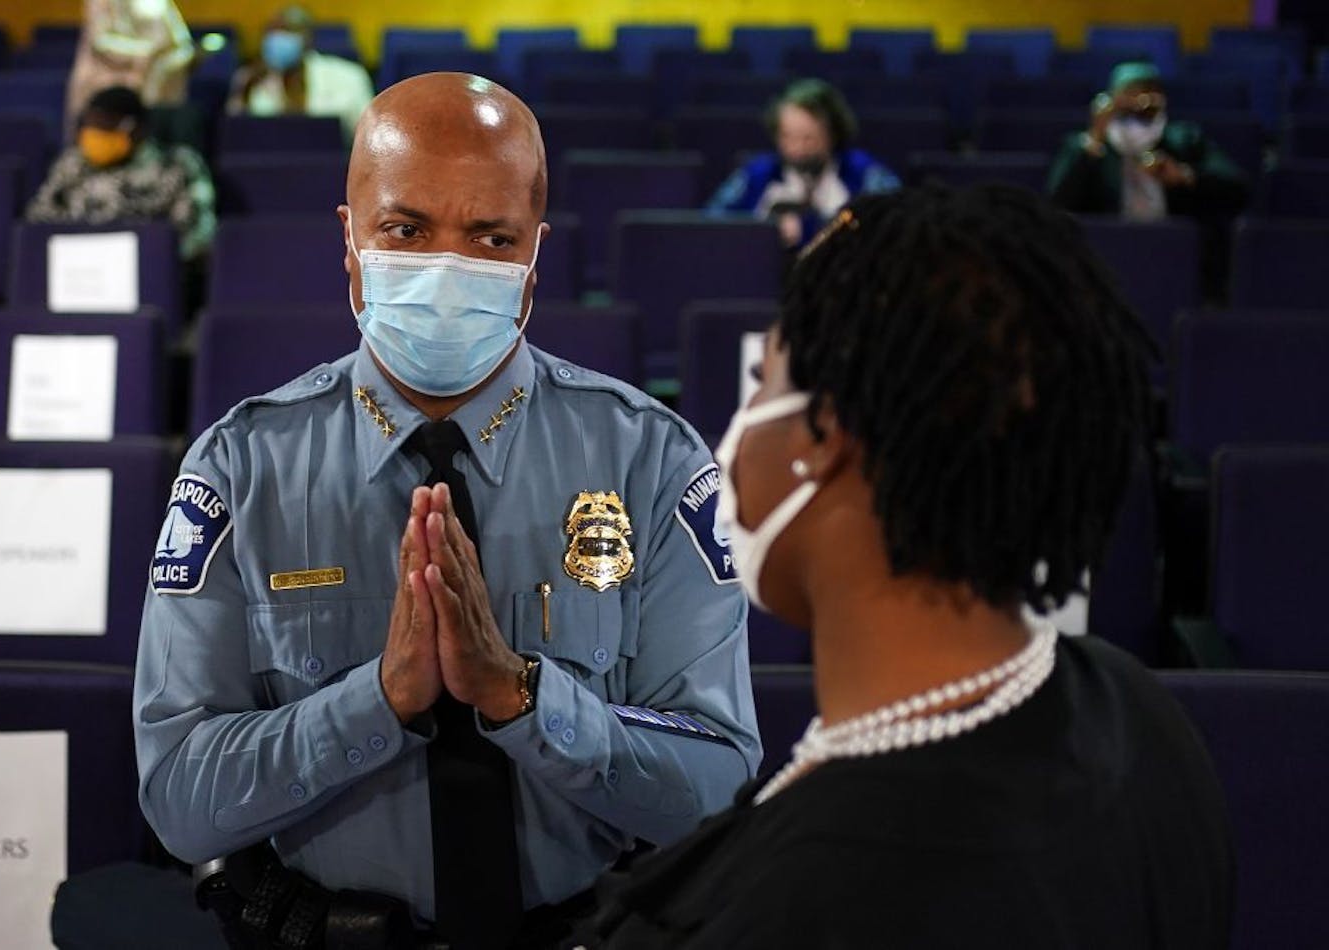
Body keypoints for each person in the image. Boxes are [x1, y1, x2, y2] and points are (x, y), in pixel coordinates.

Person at [133, 72, 761, 949]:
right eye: (407, 229)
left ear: (534, 261)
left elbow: (719, 785)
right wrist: (380, 701)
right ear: (350, 240)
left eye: (490, 237)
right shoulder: (241, 470)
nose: (443, 268)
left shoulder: (652, 460)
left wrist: (521, 698)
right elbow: (180, 802)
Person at [575, 185, 1233, 948]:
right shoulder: (1141, 713)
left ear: (825, 438)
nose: (738, 427)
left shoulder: (792, 907)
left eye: (764, 387)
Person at [26, 85, 216, 264]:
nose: (95, 134)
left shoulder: (177, 165)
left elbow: (197, 236)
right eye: (91, 125)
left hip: (149, 270)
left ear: (137, 129)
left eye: (106, 125)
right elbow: (38, 220)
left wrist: (147, 261)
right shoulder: (72, 164)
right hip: (77, 269)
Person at [707, 78, 900, 248]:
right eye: (787, 137)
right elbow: (713, 226)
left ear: (833, 134)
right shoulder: (755, 175)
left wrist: (813, 229)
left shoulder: (865, 174)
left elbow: (898, 228)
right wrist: (765, 233)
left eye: (808, 138)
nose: (797, 148)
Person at [1048, 61, 1249, 222]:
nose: (1141, 100)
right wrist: (1095, 138)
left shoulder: (1184, 139)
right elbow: (1059, 203)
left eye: (1150, 90)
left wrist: (1185, 175)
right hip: (1108, 246)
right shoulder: (1087, 144)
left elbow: (1236, 189)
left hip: (1173, 246)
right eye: (1131, 92)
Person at [227, 3, 375, 141]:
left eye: (289, 30)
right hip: (266, 162)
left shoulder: (348, 75)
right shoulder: (249, 78)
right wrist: (245, 92)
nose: (279, 38)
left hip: (331, 163)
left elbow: (367, 137)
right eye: (273, 30)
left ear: (308, 38)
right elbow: (235, 138)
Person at [65, 0, 194, 133]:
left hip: (153, 86)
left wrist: (177, 58)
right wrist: (147, 53)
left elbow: (180, 42)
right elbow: (101, 42)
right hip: (109, 83)